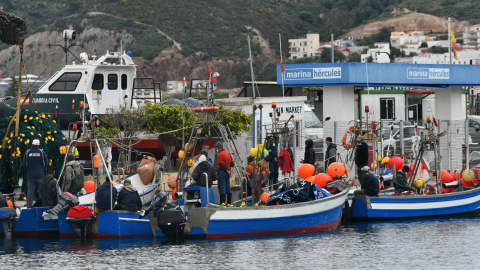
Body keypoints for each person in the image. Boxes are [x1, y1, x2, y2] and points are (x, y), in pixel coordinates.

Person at [22, 139, 48, 208]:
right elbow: (46, 163)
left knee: (30, 192)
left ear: (32, 144)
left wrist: (29, 169)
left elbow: (24, 164)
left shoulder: (27, 152)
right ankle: (42, 206)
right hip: (40, 175)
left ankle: (29, 206)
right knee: (41, 192)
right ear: (38, 145)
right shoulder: (41, 152)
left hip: (30, 175)